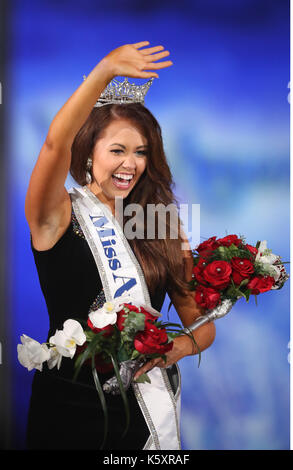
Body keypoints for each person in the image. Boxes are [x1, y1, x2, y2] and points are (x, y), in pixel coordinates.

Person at [24, 41, 216, 450]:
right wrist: (105, 71)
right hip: (69, 408)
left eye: (141, 152)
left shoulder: (160, 221)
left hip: (145, 410)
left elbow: (201, 324)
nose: (131, 164)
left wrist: (177, 349)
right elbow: (54, 145)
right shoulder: (56, 213)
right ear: (88, 153)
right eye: (117, 150)